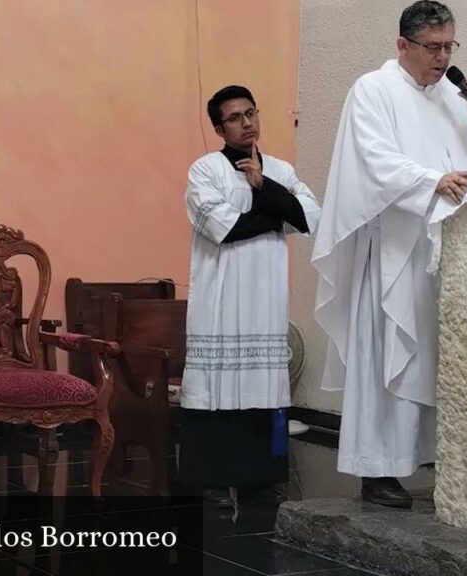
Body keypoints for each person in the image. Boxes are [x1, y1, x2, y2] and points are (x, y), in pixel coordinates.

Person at [311, 1, 467, 507]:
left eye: (449, 46)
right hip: (395, 250)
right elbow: (373, 161)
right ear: (403, 45)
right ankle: (378, 470)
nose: (442, 58)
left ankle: (432, 459)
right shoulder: (373, 90)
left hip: (449, 252)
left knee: (439, 358)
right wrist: (430, 181)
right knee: (391, 353)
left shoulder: (456, 97)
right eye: (433, 47)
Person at [180, 85, 322, 508]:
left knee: (264, 387)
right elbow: (226, 228)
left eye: (250, 113)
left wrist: (266, 187)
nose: (246, 123)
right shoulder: (205, 171)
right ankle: (212, 481)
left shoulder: (279, 168)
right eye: (235, 118)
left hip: (264, 299)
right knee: (215, 389)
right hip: (221, 299)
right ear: (219, 127)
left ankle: (261, 480)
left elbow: (310, 217)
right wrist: (276, 206)